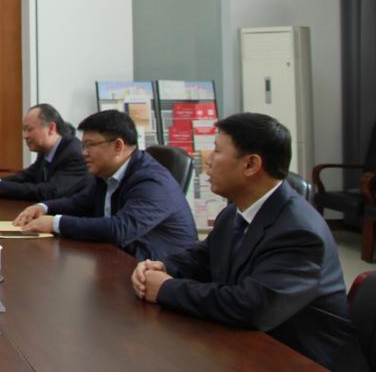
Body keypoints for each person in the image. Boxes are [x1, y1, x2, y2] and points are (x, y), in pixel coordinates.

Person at [131, 113, 366, 370]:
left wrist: (166, 289)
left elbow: (253, 307)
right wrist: (162, 267)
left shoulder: (299, 231)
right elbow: (203, 258)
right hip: (249, 345)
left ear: (251, 165)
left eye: (217, 151)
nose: (208, 160)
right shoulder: (235, 212)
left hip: (303, 358)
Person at [13, 109, 197, 260]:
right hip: (122, 258)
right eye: (83, 145)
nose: (83, 153)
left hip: (164, 271)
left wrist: (55, 223)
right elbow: (80, 202)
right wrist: (43, 207)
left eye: (89, 145)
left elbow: (120, 229)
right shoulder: (106, 173)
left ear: (118, 146)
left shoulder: (152, 181)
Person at [0, 103, 91, 201]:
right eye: (24, 130)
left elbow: (51, 192)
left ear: (51, 128)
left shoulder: (74, 153)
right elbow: (29, 176)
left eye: (29, 129)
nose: (25, 136)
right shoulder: (45, 149)